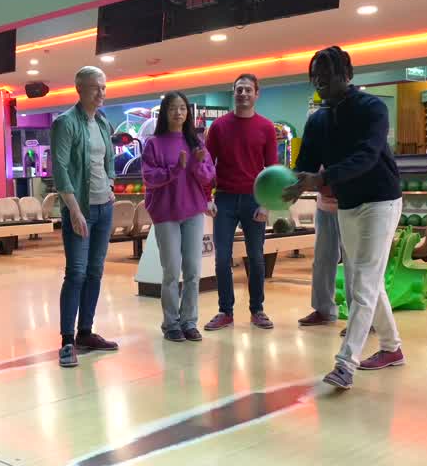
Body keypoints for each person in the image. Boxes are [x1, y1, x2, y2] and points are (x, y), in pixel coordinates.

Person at [284, 46, 405, 389]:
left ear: (347, 75)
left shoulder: (372, 108)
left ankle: (345, 363)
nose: (321, 80)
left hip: (381, 200)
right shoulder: (318, 119)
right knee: (369, 280)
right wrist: (289, 183)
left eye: (328, 73)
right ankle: (391, 348)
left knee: (361, 282)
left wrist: (321, 179)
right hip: (348, 205)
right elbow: (305, 164)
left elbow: (367, 156)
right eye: (316, 75)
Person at [51, 66, 119, 368]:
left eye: (103, 87)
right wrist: (74, 209)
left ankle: (85, 332)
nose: (101, 93)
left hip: (104, 207)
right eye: (95, 88)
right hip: (80, 210)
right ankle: (67, 341)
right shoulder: (65, 123)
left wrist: (112, 185)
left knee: (95, 272)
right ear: (80, 89)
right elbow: (60, 168)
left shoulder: (103, 122)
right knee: (76, 273)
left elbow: (109, 159)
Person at [204, 74, 277, 331]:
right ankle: (226, 311)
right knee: (222, 258)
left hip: (254, 201)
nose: (243, 94)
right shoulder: (219, 127)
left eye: (248, 90)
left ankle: (257, 309)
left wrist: (266, 204)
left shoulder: (267, 128)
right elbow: (206, 164)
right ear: (232, 92)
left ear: (257, 94)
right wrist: (206, 197)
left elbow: (272, 170)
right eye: (239, 89)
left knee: (256, 258)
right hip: (223, 199)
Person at [140, 91, 216, 342]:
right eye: (173, 108)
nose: (178, 112)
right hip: (166, 214)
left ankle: (189, 321)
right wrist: (176, 169)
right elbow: (149, 177)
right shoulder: (154, 143)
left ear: (188, 113)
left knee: (193, 270)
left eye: (182, 108)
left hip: (192, 211)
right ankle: (171, 323)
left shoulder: (196, 143)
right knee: (171, 271)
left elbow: (208, 176)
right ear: (165, 113)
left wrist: (194, 165)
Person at [292, 114, 342, 328]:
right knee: (322, 260)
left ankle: (364, 318)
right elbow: (305, 169)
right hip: (325, 207)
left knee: (356, 265)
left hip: (353, 208)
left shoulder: (350, 139)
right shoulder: (317, 143)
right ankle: (323, 310)